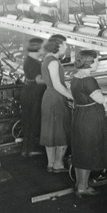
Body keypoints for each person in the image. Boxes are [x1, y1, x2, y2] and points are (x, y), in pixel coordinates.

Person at [70, 50, 107, 197]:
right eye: (97, 60)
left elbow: (85, 94)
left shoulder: (75, 76)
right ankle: (83, 187)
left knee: (81, 150)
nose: (98, 63)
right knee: (88, 151)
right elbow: (100, 99)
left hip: (80, 115)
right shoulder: (89, 80)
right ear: (90, 62)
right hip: (91, 118)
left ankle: (80, 183)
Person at [39, 36, 73, 173]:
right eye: (64, 44)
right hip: (56, 98)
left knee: (50, 131)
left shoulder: (47, 58)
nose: (66, 47)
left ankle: (50, 163)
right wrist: (72, 96)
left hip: (49, 96)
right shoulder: (53, 62)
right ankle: (58, 164)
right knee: (61, 131)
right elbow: (58, 85)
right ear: (57, 45)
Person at [19, 37, 46, 157]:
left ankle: (26, 149)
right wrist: (54, 79)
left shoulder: (29, 59)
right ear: (37, 48)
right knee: (33, 121)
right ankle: (30, 150)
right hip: (33, 94)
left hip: (28, 92)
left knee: (28, 121)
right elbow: (39, 80)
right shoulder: (34, 62)